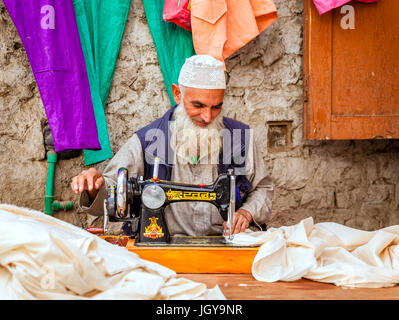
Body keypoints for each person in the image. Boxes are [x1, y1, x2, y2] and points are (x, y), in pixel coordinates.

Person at [71, 55, 274, 236]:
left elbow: (263, 188)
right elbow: (115, 191)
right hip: (164, 251)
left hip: (225, 246)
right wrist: (94, 188)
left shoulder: (239, 138)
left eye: (216, 107)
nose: (207, 116)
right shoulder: (149, 141)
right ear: (177, 94)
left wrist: (247, 213)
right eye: (198, 105)